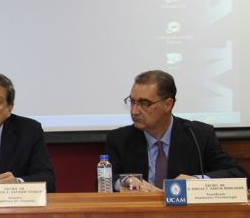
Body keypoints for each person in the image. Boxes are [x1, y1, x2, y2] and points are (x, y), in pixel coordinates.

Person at [106, 70, 248, 191]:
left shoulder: (198, 135)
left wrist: (196, 181)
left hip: (186, 213)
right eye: (132, 102)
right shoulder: (119, 139)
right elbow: (106, 180)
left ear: (168, 104)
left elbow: (239, 175)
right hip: (139, 213)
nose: (134, 111)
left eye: (144, 103)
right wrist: (125, 181)